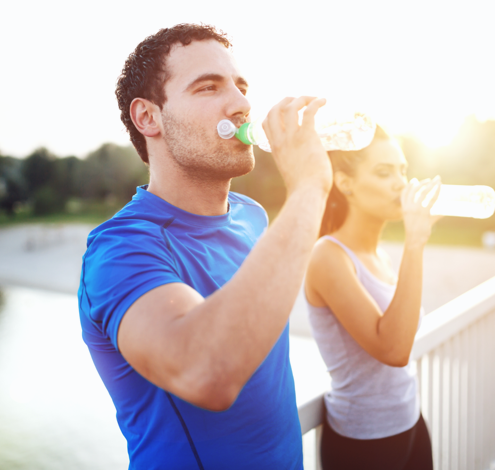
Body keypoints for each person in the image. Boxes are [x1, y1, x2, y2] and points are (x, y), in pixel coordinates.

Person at [77, 24, 333, 469]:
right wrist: (310, 187)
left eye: (241, 86)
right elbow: (205, 372)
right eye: (208, 87)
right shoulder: (118, 251)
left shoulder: (252, 215)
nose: (241, 104)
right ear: (148, 118)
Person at [304, 126, 440, 470]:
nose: (401, 183)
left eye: (403, 170)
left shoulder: (381, 256)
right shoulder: (328, 256)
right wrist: (416, 242)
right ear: (345, 182)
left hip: (409, 421)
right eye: (384, 172)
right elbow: (394, 349)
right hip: (364, 442)